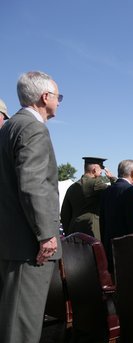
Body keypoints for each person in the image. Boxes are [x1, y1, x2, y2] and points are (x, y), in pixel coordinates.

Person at [0, 71, 63, 343]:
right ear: (44, 97)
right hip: (30, 246)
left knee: (12, 319)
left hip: (12, 241)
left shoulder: (10, 127)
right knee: (22, 327)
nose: (59, 102)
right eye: (58, 97)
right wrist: (46, 234)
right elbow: (33, 184)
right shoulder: (33, 128)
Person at [100, 159, 133, 271]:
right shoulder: (131, 190)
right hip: (126, 247)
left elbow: (102, 221)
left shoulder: (106, 191)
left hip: (109, 246)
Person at [60, 157, 116, 239]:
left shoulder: (72, 187)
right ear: (94, 170)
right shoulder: (95, 183)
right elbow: (115, 192)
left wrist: (68, 231)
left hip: (73, 230)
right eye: (101, 169)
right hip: (92, 229)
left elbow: (65, 213)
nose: (101, 172)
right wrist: (112, 179)